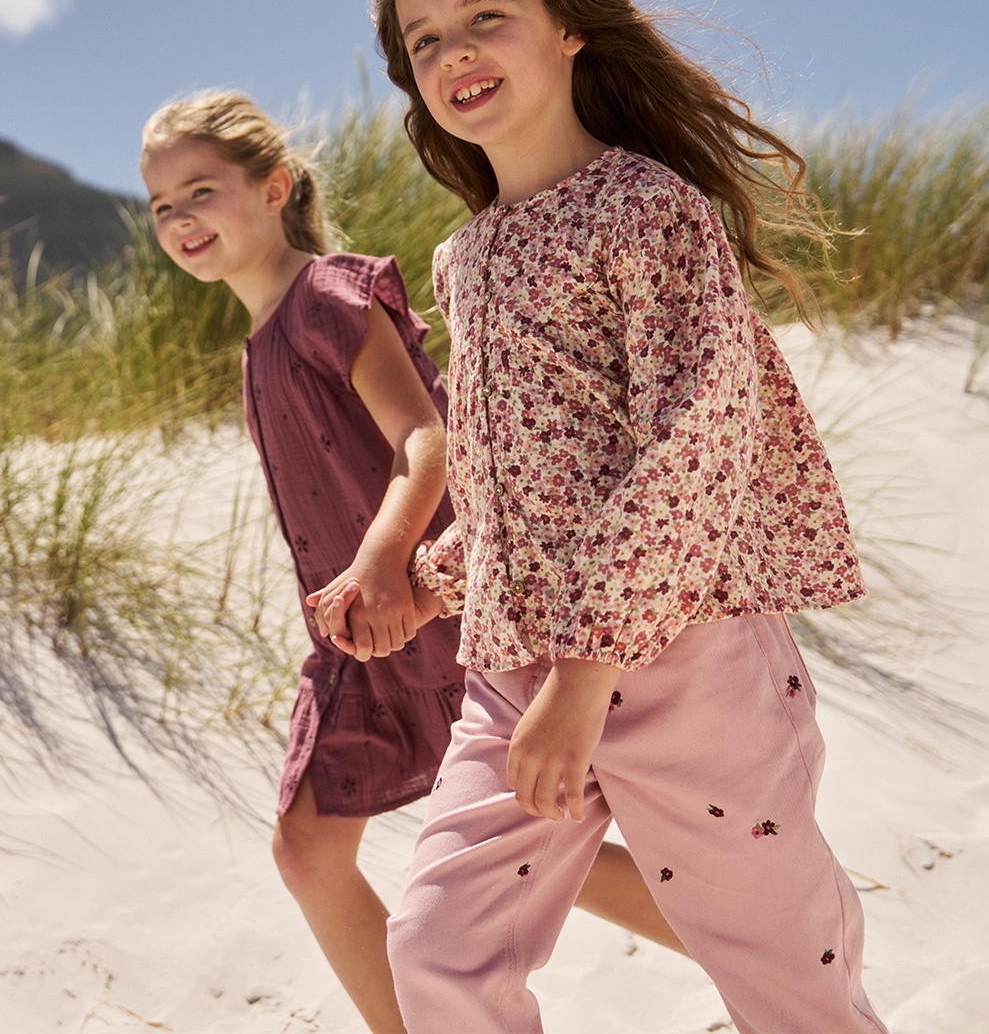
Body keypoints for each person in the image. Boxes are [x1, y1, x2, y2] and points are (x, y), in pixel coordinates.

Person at [328, 0, 891, 1033]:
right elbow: (512, 485)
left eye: (486, 15)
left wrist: (585, 677)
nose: (454, 53)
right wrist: (422, 582)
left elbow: (693, 443)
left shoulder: (645, 205)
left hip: (687, 664)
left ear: (568, 25)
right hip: (513, 671)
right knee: (437, 948)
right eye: (424, 40)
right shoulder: (465, 256)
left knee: (785, 980)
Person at [140, 92, 686, 1034]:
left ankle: (762, 929)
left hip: (431, 614)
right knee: (311, 851)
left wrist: (386, 564)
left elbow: (427, 441)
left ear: (274, 189)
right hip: (362, 646)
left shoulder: (326, 297)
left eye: (201, 191)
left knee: (543, 832)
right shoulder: (261, 338)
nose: (181, 219)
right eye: (160, 206)